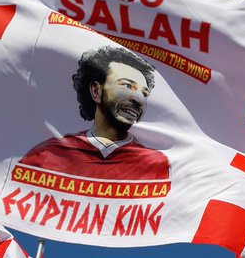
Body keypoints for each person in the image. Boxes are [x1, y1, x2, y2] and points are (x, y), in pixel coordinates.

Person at [20, 45, 170, 183]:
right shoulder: (47, 154)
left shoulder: (155, 164)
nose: (139, 99)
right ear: (96, 91)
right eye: (127, 85)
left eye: (144, 93)